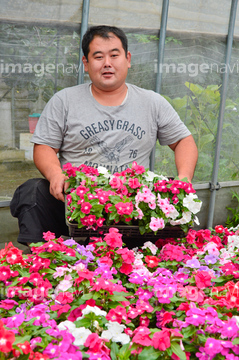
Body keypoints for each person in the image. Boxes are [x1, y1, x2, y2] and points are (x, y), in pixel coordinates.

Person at [10, 25, 198, 246]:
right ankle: (39, 260)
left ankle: (152, 262)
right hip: (76, 204)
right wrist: (55, 175)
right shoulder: (65, 101)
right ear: (86, 64)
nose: (107, 63)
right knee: (32, 191)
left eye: (114, 55)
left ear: (127, 59)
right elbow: (44, 146)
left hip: (132, 208)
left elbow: (183, 141)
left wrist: (183, 179)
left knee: (169, 195)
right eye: (98, 56)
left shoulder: (152, 102)